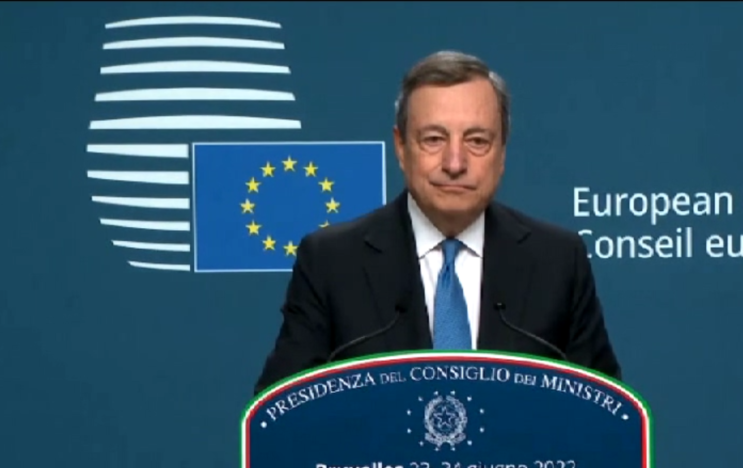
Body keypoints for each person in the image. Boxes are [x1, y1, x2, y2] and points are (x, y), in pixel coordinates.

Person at [253, 50, 621, 395]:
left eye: (477, 141)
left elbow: (604, 414)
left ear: (502, 153)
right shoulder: (331, 263)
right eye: (433, 139)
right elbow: (281, 411)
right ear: (401, 147)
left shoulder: (557, 261)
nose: (455, 163)